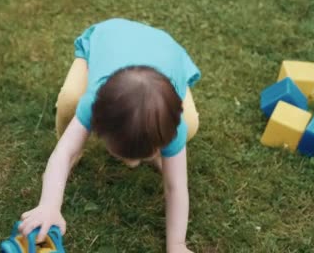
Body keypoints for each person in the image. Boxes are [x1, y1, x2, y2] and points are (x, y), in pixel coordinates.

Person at [19, 18, 201, 253]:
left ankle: (164, 154)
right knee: (70, 99)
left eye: (140, 156)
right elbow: (62, 154)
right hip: (108, 37)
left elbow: (176, 187)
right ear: (98, 125)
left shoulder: (174, 126)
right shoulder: (93, 101)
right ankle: (77, 142)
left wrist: (176, 244)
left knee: (191, 122)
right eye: (128, 155)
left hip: (167, 51)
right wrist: (49, 205)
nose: (132, 165)